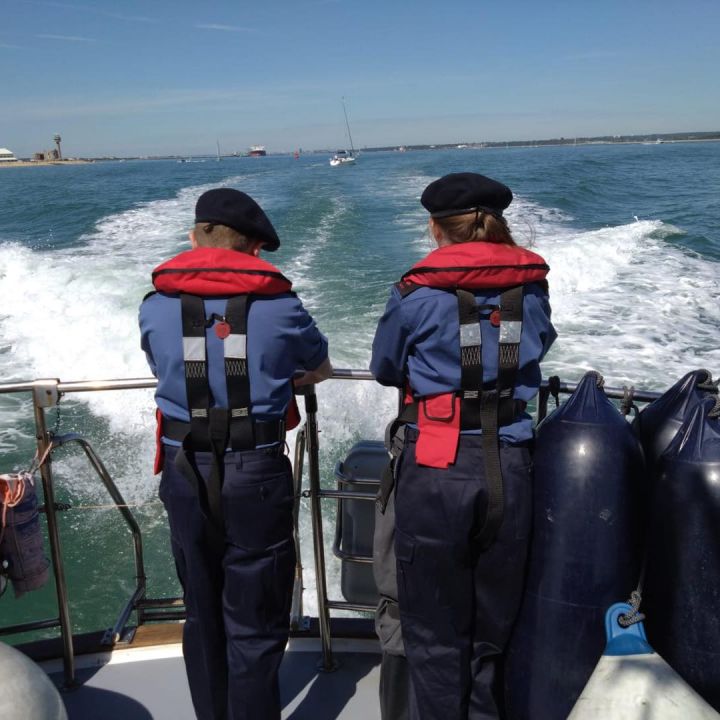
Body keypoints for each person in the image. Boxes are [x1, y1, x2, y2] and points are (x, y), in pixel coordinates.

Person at [139, 188, 332, 720]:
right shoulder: (282, 305)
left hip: (184, 468)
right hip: (257, 472)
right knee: (254, 619)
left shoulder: (155, 305)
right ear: (254, 249)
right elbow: (319, 366)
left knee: (201, 610)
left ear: (194, 238)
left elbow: (159, 366)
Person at [370, 172, 556, 720]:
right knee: (492, 634)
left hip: (438, 468)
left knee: (434, 637)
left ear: (436, 229)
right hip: (512, 465)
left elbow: (385, 367)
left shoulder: (414, 293)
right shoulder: (533, 287)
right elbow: (542, 341)